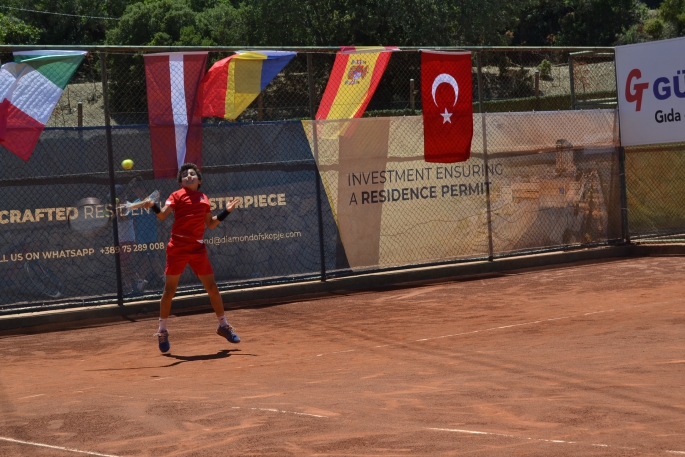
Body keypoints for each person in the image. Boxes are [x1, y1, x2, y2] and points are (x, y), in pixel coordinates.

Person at [143, 163, 241, 353]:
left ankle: (223, 325)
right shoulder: (176, 195)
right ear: (180, 181)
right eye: (185, 175)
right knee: (169, 290)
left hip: (197, 248)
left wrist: (226, 211)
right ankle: (162, 330)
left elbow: (210, 224)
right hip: (178, 247)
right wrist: (153, 205)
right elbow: (163, 216)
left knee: (212, 288)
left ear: (199, 180)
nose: (189, 176)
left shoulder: (204, 198)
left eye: (192, 174)